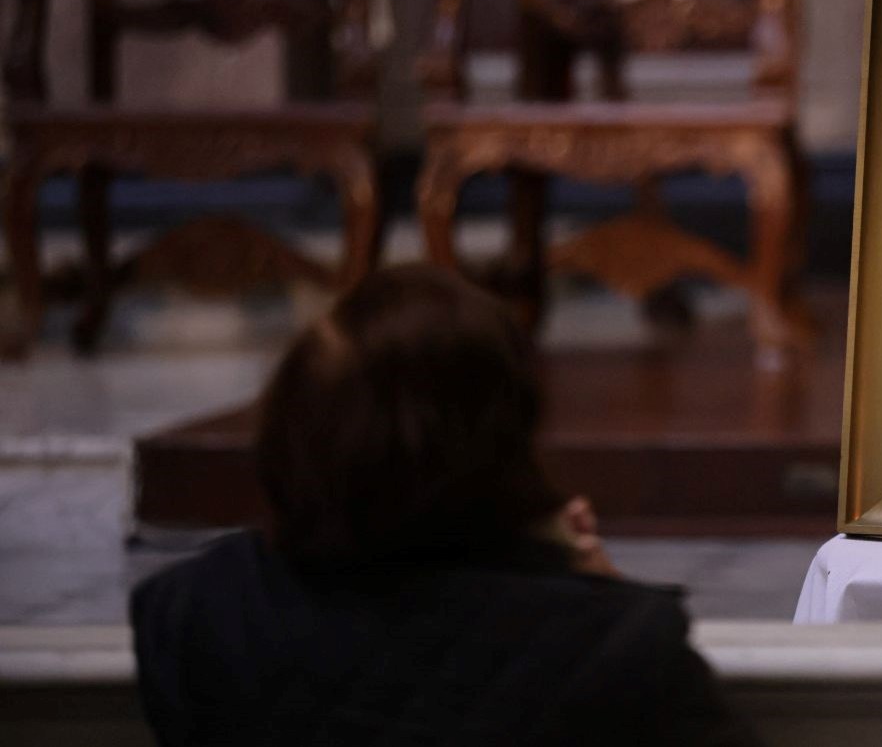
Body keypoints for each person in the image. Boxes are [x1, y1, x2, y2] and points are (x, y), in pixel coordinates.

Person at [130, 264, 758, 745]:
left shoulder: (191, 613)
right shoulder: (616, 647)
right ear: (504, 445)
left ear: (287, 431)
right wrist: (598, 591)